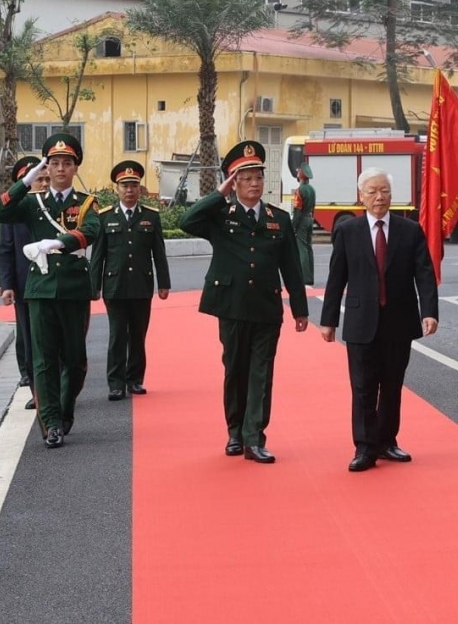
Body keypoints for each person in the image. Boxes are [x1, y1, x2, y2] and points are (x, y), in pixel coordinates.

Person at [181, 140, 309, 464]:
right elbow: (187, 221)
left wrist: (300, 309)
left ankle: (255, 438)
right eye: (246, 177)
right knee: (235, 369)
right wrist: (218, 194)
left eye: (258, 177)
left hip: (267, 308)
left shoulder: (277, 218)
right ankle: (235, 432)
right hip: (232, 306)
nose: (254, 183)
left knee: (261, 373)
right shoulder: (222, 216)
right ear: (234, 181)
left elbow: (292, 267)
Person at [320, 167, 439, 472]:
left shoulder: (409, 230)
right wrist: (328, 320)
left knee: (392, 385)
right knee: (362, 387)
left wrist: (429, 312)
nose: (379, 197)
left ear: (391, 194)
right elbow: (336, 278)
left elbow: (424, 273)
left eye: (384, 190)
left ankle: (387, 442)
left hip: (398, 320)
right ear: (361, 197)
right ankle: (364, 447)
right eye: (372, 191)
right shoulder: (348, 231)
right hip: (361, 321)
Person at [0, 133, 100, 450]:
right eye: (54, 163)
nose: (61, 169)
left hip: (73, 289)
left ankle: (65, 413)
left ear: (75, 167)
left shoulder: (85, 204)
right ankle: (51, 423)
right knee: (43, 361)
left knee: (75, 360)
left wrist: (58, 243)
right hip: (39, 289)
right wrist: (24, 182)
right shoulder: (31, 202)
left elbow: (91, 230)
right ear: (47, 167)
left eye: (67, 163)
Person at [90, 161, 171, 401]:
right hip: (114, 286)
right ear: (117, 188)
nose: (129, 190)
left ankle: (135, 380)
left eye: (134, 185)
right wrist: (94, 286)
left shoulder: (150, 217)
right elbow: (98, 256)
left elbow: (159, 252)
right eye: (125, 185)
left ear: (140, 188)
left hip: (141, 285)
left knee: (138, 334)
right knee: (117, 336)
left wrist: (164, 283)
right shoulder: (105, 217)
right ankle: (115, 383)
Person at [0, 156, 50, 410]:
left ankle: (56, 389)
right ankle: (37, 391)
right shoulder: (16, 212)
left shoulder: (57, 207)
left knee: (55, 340)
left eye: (46, 179)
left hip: (54, 285)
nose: (44, 184)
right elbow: (5, 250)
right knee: (29, 340)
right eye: (39, 179)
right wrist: (5, 284)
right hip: (25, 286)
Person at [292, 163, 316, 285]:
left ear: (301, 175)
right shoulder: (312, 189)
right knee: (309, 248)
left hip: (302, 220)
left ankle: (305, 278)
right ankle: (310, 276)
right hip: (310, 219)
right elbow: (313, 207)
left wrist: (293, 225)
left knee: (302, 249)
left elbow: (297, 210)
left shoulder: (299, 190)